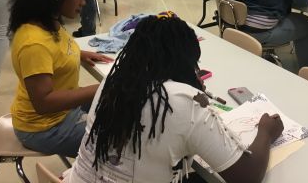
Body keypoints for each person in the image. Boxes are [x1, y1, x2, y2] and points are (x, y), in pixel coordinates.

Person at [64, 14, 283, 183]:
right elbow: (247, 176)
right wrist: (265, 131)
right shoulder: (184, 104)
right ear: (184, 62)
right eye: (193, 63)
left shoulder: (112, 82)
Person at [10, 0, 113, 157]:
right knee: (120, 140)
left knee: (123, 106)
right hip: (43, 128)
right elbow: (44, 102)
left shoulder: (49, 20)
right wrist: (102, 86)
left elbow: (54, 51)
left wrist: (79, 54)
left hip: (62, 112)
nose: (84, 3)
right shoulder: (34, 43)